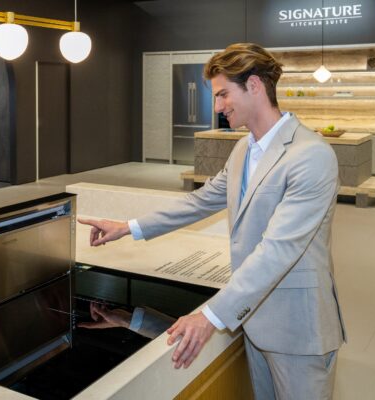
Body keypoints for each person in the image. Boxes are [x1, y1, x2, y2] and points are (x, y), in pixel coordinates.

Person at [79, 43, 346, 399]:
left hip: (299, 330)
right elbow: (199, 202)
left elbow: (279, 251)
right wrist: (128, 227)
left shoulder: (311, 155)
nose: (217, 107)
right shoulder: (243, 150)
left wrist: (209, 316)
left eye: (222, 94)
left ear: (253, 86)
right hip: (255, 321)